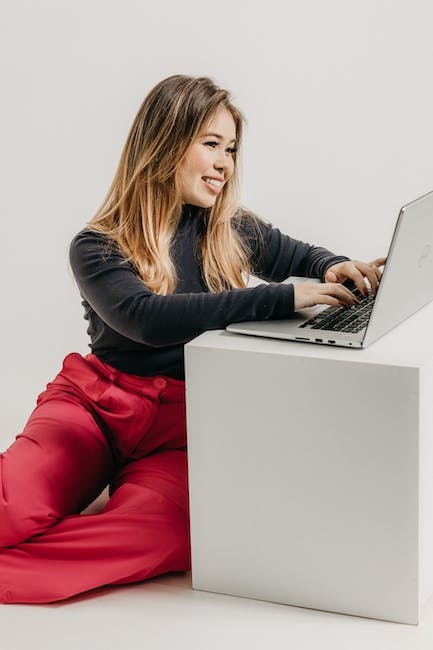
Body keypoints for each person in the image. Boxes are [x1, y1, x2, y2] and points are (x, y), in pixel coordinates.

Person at [0, 74, 385, 604]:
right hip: (94, 407)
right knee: (11, 508)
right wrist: (284, 298)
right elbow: (144, 317)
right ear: (164, 142)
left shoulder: (228, 228)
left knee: (170, 534)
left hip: (181, 423)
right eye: (211, 144)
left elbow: (300, 256)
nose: (226, 163)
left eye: (231, 149)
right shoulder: (96, 244)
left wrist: (334, 266)